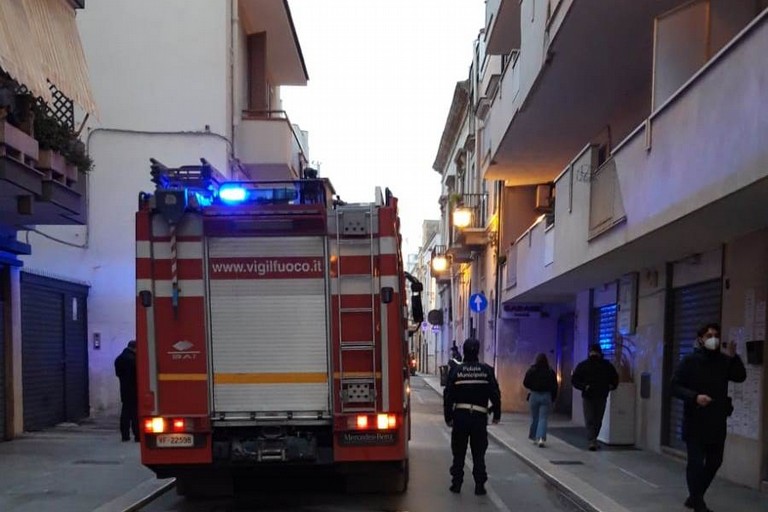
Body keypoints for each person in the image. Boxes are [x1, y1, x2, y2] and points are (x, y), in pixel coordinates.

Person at [672, 323, 746, 512]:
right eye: (708, 335)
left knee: (715, 461)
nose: (713, 338)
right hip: (695, 420)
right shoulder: (689, 361)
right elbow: (674, 386)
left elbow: (739, 376)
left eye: (715, 335)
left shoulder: (723, 361)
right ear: (700, 339)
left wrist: (734, 356)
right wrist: (695, 397)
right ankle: (698, 503)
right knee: (696, 463)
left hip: (716, 421)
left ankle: (695, 495)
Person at [443, 338, 501, 496]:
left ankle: (456, 483)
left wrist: (448, 417)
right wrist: (497, 414)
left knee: (459, 452)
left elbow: (448, 395)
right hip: (479, 417)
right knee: (478, 453)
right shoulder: (486, 370)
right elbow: (495, 394)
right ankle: (480, 486)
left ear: (464, 351)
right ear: (478, 351)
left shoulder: (456, 371)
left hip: (460, 417)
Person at [571, 344, 619, 451]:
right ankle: (593, 439)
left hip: (588, 395)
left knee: (590, 419)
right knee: (598, 419)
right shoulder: (607, 365)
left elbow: (574, 380)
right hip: (601, 395)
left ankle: (592, 440)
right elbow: (615, 379)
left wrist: (584, 387)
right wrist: (610, 386)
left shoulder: (583, 365)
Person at [523, 353, 558, 447]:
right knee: (543, 418)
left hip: (534, 395)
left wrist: (532, 387)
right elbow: (555, 386)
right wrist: (553, 397)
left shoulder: (532, 370)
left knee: (535, 417)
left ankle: (534, 437)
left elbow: (525, 383)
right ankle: (541, 438)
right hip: (546, 395)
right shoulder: (550, 372)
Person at [115, 340, 139, 442]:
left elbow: (118, 374)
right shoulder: (134, 359)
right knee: (135, 414)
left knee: (125, 413)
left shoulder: (119, 358)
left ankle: (125, 435)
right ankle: (137, 435)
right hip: (134, 389)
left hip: (124, 389)